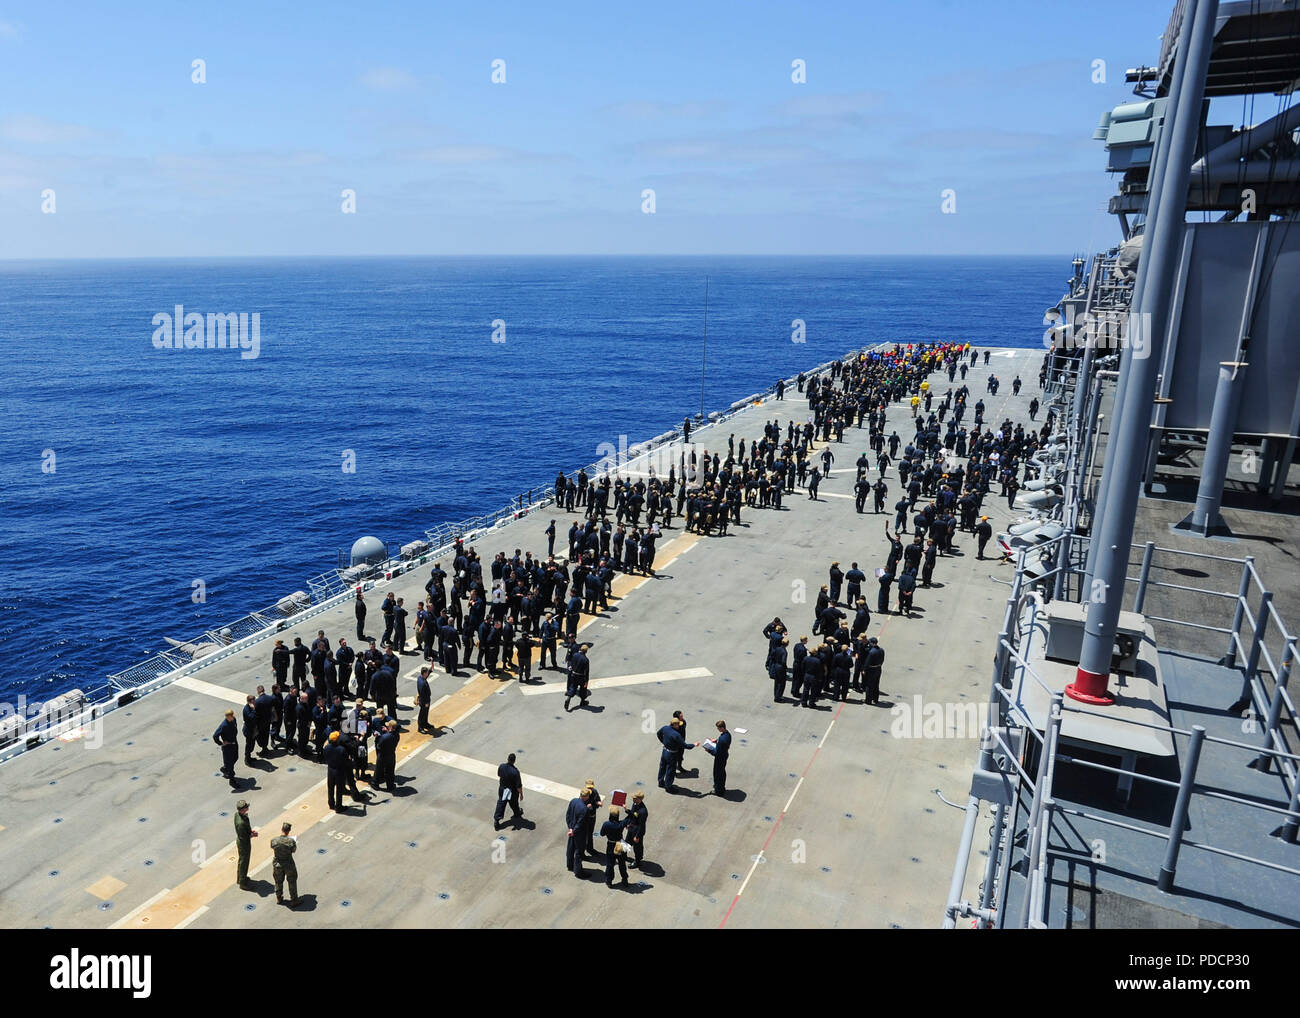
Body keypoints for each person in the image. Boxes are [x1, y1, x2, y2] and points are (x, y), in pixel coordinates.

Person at [656, 717, 694, 791]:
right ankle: (668, 787)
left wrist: (663, 742)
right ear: (674, 725)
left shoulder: (665, 728)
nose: (679, 726)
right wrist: (694, 745)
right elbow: (685, 746)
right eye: (678, 725)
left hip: (664, 751)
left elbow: (658, 733)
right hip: (672, 754)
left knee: (662, 767)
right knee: (670, 771)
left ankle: (660, 782)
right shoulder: (676, 734)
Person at [270, 822, 299, 907]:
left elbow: (272, 847)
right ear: (289, 831)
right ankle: (294, 900)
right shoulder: (291, 841)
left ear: (282, 829)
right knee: (292, 881)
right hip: (288, 864)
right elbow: (294, 851)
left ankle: (279, 897)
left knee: (278, 881)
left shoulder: (274, 840)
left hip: (277, 864)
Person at [601, 807, 630, 888]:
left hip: (611, 845)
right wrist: (626, 809)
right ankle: (625, 880)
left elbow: (602, 833)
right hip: (620, 844)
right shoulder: (621, 824)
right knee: (622, 864)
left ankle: (609, 881)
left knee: (610, 864)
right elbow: (631, 817)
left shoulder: (606, 824)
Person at [494, 752, 524, 828]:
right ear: (514, 761)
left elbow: (498, 775)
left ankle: (497, 820)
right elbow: (519, 786)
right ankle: (517, 813)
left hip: (502, 789)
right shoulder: (515, 772)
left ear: (508, 759)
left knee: (501, 803)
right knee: (514, 803)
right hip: (512, 791)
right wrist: (521, 794)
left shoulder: (501, 766)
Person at [565, 789, 591, 878]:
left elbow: (568, 815)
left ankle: (570, 865)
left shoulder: (573, 801)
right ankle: (578, 872)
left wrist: (571, 828)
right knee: (579, 852)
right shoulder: (585, 809)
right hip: (580, 833)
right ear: (586, 797)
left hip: (572, 830)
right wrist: (574, 831)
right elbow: (580, 823)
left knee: (570, 848)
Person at [213, 709, 239, 789]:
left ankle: (225, 768)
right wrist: (221, 743)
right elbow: (215, 736)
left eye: (232, 715)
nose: (232, 717)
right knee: (230, 764)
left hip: (234, 743)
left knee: (236, 757)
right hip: (227, 747)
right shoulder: (224, 725)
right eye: (231, 716)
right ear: (227, 716)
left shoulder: (233, 720)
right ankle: (232, 780)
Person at [323, 731, 349, 812]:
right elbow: (345, 760)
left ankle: (331, 804)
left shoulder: (326, 748)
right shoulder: (341, 749)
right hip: (339, 770)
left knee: (330, 788)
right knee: (339, 789)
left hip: (330, 769)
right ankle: (338, 806)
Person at [234, 799, 257, 889]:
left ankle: (240, 878)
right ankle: (242, 883)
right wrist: (252, 834)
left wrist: (250, 832)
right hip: (244, 844)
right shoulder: (241, 823)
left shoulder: (238, 815)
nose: (248, 808)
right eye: (246, 807)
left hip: (242, 841)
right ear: (242, 809)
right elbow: (244, 837)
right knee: (244, 862)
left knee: (242, 861)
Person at [706, 720, 732, 796]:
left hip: (720, 758)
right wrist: (716, 741)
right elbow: (722, 740)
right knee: (722, 772)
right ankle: (721, 787)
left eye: (718, 728)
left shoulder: (722, 740)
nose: (718, 730)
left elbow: (716, 753)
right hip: (724, 755)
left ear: (722, 728)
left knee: (717, 774)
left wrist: (709, 750)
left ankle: (718, 791)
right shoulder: (727, 734)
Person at [373, 720, 399, 793]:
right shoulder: (397, 735)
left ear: (390, 727)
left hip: (382, 755)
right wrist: (387, 731)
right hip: (391, 754)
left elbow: (379, 746)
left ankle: (375, 783)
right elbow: (391, 735)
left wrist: (381, 735)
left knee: (378, 769)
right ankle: (390, 786)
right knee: (390, 771)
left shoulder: (384, 737)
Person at [625, 791, 648, 869]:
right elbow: (633, 814)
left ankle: (637, 861)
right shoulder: (635, 804)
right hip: (632, 827)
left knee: (637, 848)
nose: (633, 799)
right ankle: (623, 856)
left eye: (634, 798)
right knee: (627, 843)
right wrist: (628, 822)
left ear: (639, 799)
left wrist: (637, 836)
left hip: (637, 831)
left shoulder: (643, 811)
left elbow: (641, 825)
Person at [415, 667, 432, 734]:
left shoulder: (420, 678)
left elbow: (427, 675)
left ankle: (425, 724)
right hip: (424, 701)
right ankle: (420, 727)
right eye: (427, 673)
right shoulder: (422, 683)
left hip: (425, 700)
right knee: (422, 714)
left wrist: (430, 670)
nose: (428, 674)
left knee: (426, 713)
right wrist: (426, 702)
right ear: (424, 673)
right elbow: (423, 695)